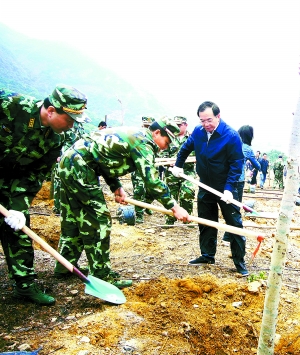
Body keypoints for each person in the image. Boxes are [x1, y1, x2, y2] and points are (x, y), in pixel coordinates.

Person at [54, 117, 190, 287]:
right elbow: (152, 181)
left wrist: (116, 186)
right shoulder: (143, 143)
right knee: (99, 220)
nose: (166, 147)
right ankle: (102, 275)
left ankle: (64, 265)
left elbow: (104, 158)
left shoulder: (135, 136)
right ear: (156, 133)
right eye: (167, 142)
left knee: (74, 218)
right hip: (81, 166)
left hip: (72, 162)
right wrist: (174, 206)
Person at [0, 84, 88, 305]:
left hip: (10, 183)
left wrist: (18, 207)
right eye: (68, 120)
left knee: (19, 228)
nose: (70, 127)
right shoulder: (12, 105)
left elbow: (33, 175)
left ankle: (24, 286)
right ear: (50, 111)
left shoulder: (54, 141)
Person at [172, 101, 249, 276]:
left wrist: (229, 188)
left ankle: (239, 261)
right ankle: (207, 255)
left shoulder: (231, 136)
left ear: (218, 116)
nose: (205, 124)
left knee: (234, 223)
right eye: (202, 120)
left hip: (225, 187)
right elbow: (185, 149)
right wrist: (178, 165)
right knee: (206, 220)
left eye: (209, 120)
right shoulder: (198, 133)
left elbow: (237, 164)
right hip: (205, 184)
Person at [222, 125, 261, 242]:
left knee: (230, 207)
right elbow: (257, 165)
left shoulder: (231, 142)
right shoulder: (247, 148)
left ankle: (228, 235)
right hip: (238, 180)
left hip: (227, 179)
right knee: (236, 208)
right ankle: (230, 236)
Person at [164, 116, 196, 225]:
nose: (177, 127)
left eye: (179, 125)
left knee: (187, 194)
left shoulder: (193, 138)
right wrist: (168, 161)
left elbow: (199, 154)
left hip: (188, 172)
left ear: (186, 125)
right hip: (171, 173)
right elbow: (162, 152)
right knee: (170, 196)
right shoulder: (169, 137)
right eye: (175, 125)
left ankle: (187, 218)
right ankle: (170, 219)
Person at [131, 117, 156, 223]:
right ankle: (139, 213)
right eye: (145, 126)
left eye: (148, 126)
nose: (146, 128)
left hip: (150, 168)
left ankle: (147, 204)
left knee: (152, 190)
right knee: (139, 190)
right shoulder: (137, 136)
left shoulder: (154, 138)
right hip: (138, 169)